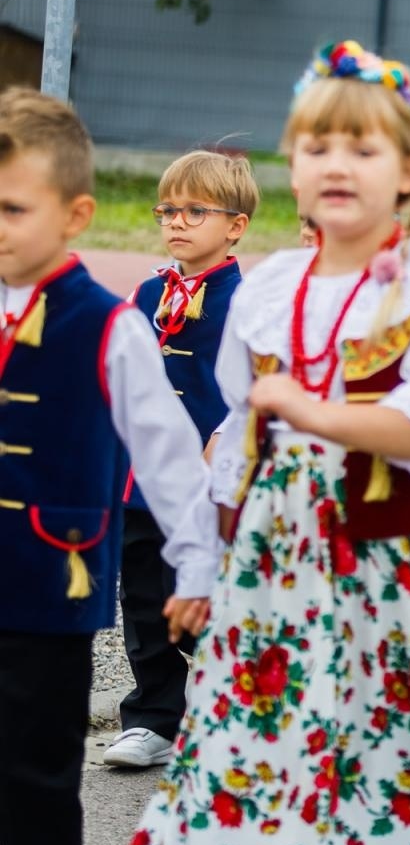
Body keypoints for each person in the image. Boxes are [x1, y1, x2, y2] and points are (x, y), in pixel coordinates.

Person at [119, 40, 410, 845]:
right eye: (317, 147)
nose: (337, 166)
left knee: (392, 782)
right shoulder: (271, 288)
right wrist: (201, 561)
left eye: (363, 149)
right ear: (293, 169)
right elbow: (235, 441)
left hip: (399, 577)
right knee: (256, 767)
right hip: (275, 574)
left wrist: (314, 411)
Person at [0, 89, 220, 845]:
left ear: (76, 213)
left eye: (16, 208)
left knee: (36, 783)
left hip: (50, 595)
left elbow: (169, 461)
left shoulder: (111, 327)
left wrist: (197, 570)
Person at [105, 152, 254, 772]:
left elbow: (249, 390)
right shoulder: (147, 291)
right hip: (143, 479)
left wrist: (225, 441)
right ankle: (155, 719)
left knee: (210, 602)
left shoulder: (246, 300)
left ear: (235, 226)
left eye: (196, 211)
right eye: (168, 209)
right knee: (142, 599)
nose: (178, 222)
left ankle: (238, 708)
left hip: (211, 483)